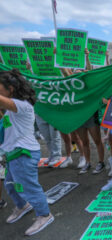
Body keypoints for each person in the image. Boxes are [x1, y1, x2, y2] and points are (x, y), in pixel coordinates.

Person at [0, 69, 53, 235]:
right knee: (10, 186)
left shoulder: (23, 106)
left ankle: (45, 215)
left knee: (29, 187)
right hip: (12, 154)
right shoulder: (10, 108)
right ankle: (23, 206)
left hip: (24, 154)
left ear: (11, 88)